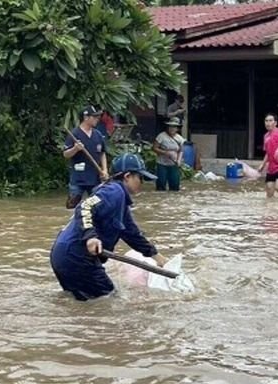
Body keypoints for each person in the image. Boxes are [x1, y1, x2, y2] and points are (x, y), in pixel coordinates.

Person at [50, 153, 167, 301]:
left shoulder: (120, 202)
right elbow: (84, 207)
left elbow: (133, 235)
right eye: (140, 178)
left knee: (82, 302)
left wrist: (157, 257)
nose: (142, 183)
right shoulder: (114, 192)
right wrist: (91, 237)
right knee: (110, 300)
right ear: (127, 176)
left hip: (63, 255)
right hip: (76, 255)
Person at [64, 105, 109, 209]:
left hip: (95, 179)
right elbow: (66, 154)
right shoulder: (74, 134)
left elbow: (102, 153)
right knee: (72, 206)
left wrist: (105, 170)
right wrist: (75, 149)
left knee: (98, 207)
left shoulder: (98, 135)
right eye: (94, 117)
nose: (97, 119)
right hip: (78, 179)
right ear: (86, 118)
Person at [257, 113, 278, 198]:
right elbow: (267, 153)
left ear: (275, 123)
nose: (268, 123)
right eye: (266, 121)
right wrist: (263, 164)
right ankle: (272, 208)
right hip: (272, 167)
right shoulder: (266, 136)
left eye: (270, 121)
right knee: (269, 191)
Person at [152, 117, 185, 191]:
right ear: (168, 127)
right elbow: (154, 148)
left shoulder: (180, 139)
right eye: (170, 126)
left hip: (174, 164)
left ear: (177, 128)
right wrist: (165, 153)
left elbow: (181, 151)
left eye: (174, 127)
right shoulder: (161, 136)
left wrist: (179, 160)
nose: (172, 128)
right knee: (161, 186)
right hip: (162, 164)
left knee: (175, 186)